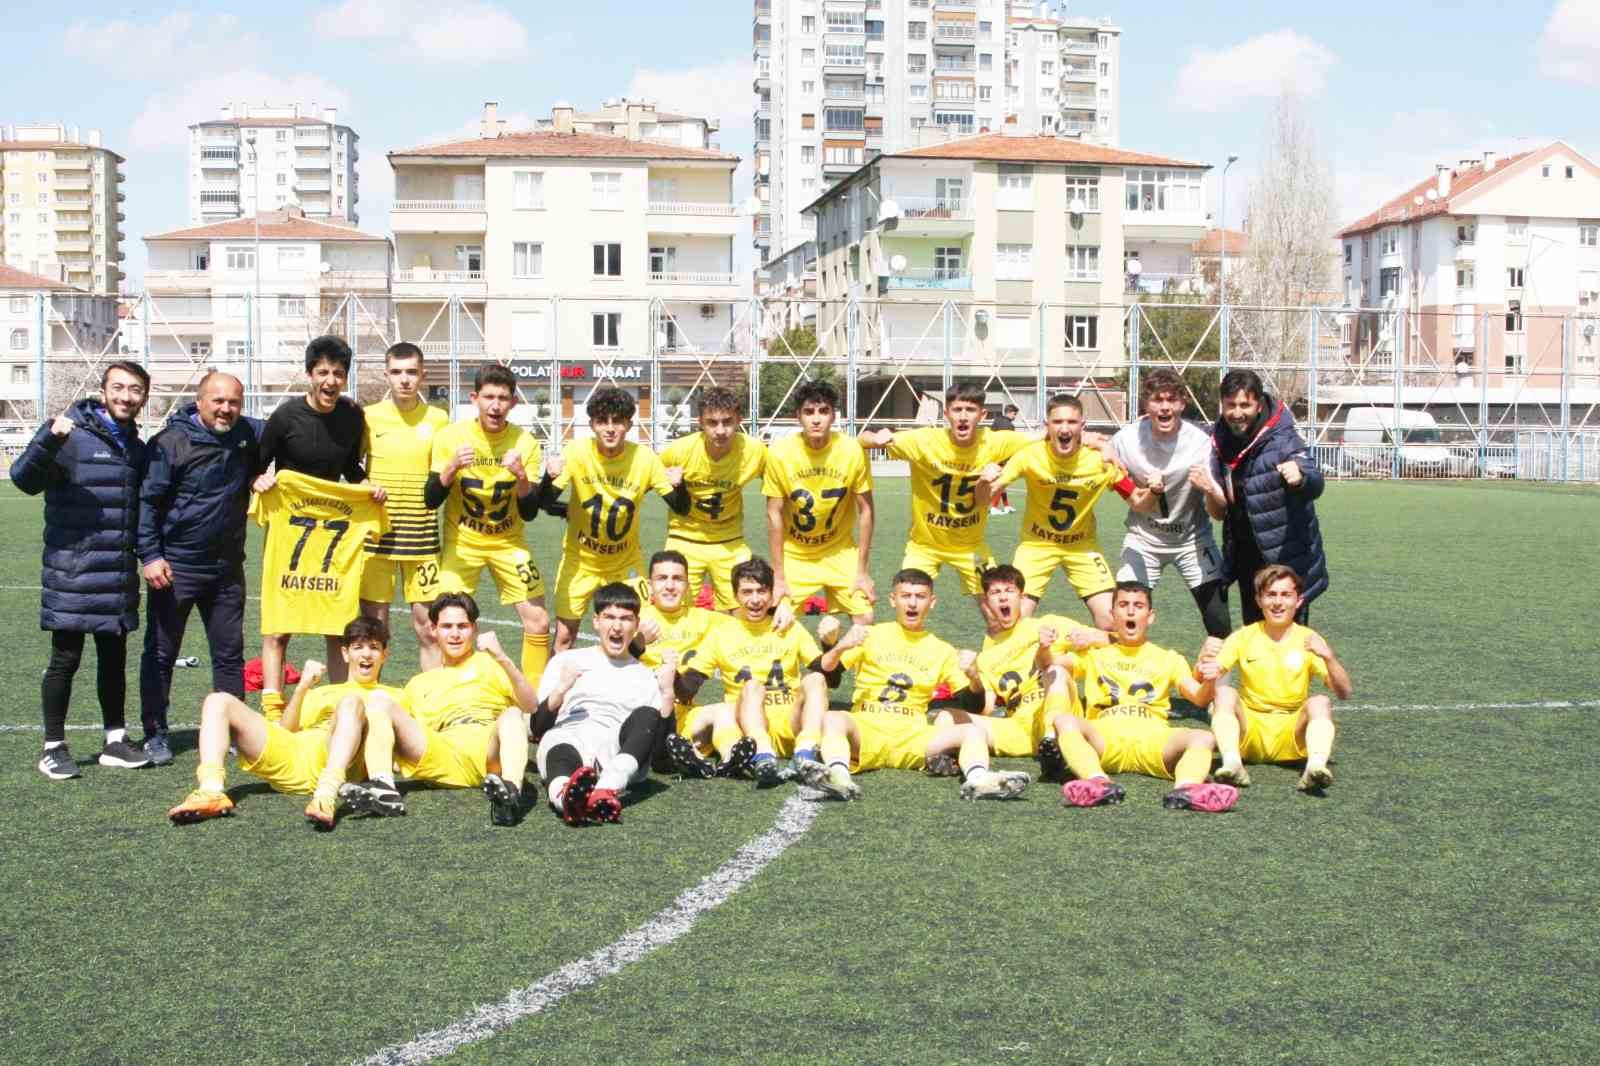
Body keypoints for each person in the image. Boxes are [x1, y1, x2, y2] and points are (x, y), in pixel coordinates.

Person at [13, 361, 153, 779]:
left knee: (113, 659)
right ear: (103, 390)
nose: (126, 396)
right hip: (72, 571)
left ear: (144, 396)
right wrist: (47, 438)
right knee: (65, 659)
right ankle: (52, 747)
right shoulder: (70, 434)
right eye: (118, 388)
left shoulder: (137, 447)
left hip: (116, 572)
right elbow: (23, 479)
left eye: (135, 390)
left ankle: (115, 741)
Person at [797, 569, 1032, 802]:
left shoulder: (942, 650)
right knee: (833, 718)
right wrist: (836, 646)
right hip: (868, 725)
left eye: (920, 597)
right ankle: (838, 778)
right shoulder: (870, 635)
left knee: (972, 731)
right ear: (893, 600)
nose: (912, 603)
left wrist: (974, 677)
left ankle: (980, 779)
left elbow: (973, 705)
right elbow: (829, 677)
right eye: (905, 595)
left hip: (913, 734)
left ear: (932, 602)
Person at [165, 616, 403, 829]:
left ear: (385, 655)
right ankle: (211, 789)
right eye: (358, 647)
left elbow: (405, 742)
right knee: (218, 701)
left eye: (374, 648)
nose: (365, 655)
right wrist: (302, 688)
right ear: (344, 653)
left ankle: (326, 796)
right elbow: (287, 730)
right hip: (293, 755)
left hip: (336, 766)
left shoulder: (395, 697)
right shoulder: (323, 691)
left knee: (351, 702)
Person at [135, 371, 262, 766]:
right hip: (177, 567)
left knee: (229, 654)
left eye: (234, 402)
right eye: (218, 401)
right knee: (160, 652)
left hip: (226, 568)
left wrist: (262, 474)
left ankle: (235, 730)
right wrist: (151, 555)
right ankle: (155, 733)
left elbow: (293, 427)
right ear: (200, 401)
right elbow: (147, 504)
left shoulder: (248, 436)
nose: (226, 409)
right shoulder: (170, 443)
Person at [253, 335, 385, 714]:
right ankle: (273, 710)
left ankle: (340, 705)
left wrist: (365, 487)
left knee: (336, 620)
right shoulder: (285, 418)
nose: (330, 381)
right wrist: (258, 481)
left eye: (338, 374)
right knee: (279, 624)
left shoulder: (351, 417)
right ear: (310, 374)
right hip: (290, 530)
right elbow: (258, 465)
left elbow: (350, 468)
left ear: (346, 378)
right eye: (323, 372)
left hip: (333, 533)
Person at [342, 592, 539, 825]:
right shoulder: (419, 683)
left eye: (462, 626)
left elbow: (530, 705)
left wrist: (503, 658)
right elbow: (386, 730)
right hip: (441, 753)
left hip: (487, 752)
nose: (454, 634)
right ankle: (384, 789)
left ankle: (510, 795)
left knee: (513, 714)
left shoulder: (491, 663)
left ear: (474, 629)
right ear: (433, 630)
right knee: (378, 700)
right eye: (446, 626)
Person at [1044, 581, 1238, 812]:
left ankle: (1187, 789)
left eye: (1138, 605)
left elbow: (1199, 698)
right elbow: (1051, 664)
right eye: (1123, 605)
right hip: (1106, 735)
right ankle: (1097, 781)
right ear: (1112, 614)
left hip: (1153, 737)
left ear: (1150, 615)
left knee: (1203, 737)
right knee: (1064, 721)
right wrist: (1043, 648)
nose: (1130, 611)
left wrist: (1210, 676)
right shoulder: (1094, 655)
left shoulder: (1169, 658)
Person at [425, 364, 550, 692]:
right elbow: (430, 498)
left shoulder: (525, 443)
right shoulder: (451, 438)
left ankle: (532, 699)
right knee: (446, 621)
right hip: (462, 543)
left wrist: (522, 477)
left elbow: (530, 512)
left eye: (503, 398)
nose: (495, 405)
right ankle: (449, 694)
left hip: (508, 543)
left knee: (538, 620)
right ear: (474, 398)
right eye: (489, 397)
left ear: (513, 403)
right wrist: (451, 467)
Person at [858, 383, 1030, 616]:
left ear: (982, 415)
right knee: (908, 610)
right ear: (946, 413)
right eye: (957, 409)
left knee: (998, 612)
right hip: (924, 547)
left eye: (970, 410)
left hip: (972, 548)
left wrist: (1094, 440)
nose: (962, 416)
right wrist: (876, 437)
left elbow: (1047, 438)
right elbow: (862, 438)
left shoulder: (996, 441)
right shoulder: (924, 440)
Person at [541, 386, 689, 653]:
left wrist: (680, 485)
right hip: (580, 561)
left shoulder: (644, 458)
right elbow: (542, 501)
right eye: (602, 421)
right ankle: (550, 695)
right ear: (592, 425)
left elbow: (680, 507)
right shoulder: (576, 451)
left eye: (617, 421)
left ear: (629, 424)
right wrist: (548, 478)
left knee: (647, 629)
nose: (610, 428)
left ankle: (629, 690)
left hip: (626, 563)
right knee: (564, 636)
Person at [982, 393, 1141, 629]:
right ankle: (1012, 665)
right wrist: (984, 481)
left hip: (1082, 546)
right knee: (1013, 620)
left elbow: (1136, 498)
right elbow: (989, 492)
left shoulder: (1101, 460)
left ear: (1082, 426)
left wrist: (1158, 488)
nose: (1064, 428)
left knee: (1110, 619)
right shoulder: (1029, 454)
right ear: (1047, 426)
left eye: (1071, 422)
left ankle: (1097, 665)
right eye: (1057, 422)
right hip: (1036, 545)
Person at [672, 557, 831, 786]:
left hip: (793, 722)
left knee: (815, 678)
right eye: (747, 592)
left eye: (761, 591)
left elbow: (830, 679)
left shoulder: (788, 625)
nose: (755, 600)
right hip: (746, 726)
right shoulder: (720, 633)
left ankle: (805, 753)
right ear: (735, 596)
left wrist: (830, 644)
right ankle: (762, 756)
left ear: (772, 593)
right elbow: (688, 689)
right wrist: (673, 674)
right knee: (752, 686)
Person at [531, 581, 677, 826]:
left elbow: (661, 755)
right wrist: (561, 689)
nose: (617, 626)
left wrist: (668, 693)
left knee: (648, 715)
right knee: (558, 743)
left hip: (616, 751)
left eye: (626, 618)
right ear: (596, 621)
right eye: (609, 617)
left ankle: (606, 789)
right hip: (571, 738)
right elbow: (537, 729)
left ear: (636, 624)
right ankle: (566, 797)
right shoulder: (566, 661)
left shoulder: (645, 675)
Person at [1198, 565, 1353, 791]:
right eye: (1271, 595)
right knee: (1224, 693)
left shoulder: (1309, 639)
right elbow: (1210, 675)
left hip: (1291, 733)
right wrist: (1205, 666)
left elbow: (1344, 692)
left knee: (1320, 702)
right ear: (1259, 600)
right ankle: (1233, 763)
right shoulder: (1243, 637)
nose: (1278, 602)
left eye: (1285, 595)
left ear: (1298, 601)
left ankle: (1315, 767)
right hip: (1250, 732)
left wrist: (1329, 657)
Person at [1111, 367, 1231, 639]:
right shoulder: (1126, 439)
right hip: (1143, 540)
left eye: (1171, 400)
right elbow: (1101, 454)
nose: (1164, 408)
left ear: (1182, 403)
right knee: (1124, 621)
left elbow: (1220, 512)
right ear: (1146, 404)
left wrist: (1210, 489)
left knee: (1220, 623)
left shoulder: (1200, 443)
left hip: (1192, 541)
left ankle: (1219, 682)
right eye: (1157, 400)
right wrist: (1099, 444)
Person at [1206, 369, 1328, 625]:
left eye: (1244, 405)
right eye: (1230, 405)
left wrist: (1300, 477)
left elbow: (1315, 480)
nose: (1237, 413)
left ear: (1259, 404)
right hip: (1245, 556)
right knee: (1254, 636)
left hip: (1285, 559)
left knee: (1289, 640)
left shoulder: (1283, 438)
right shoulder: (1219, 439)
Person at [360, 342, 451, 669]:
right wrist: (363, 484)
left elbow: (442, 476)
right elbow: (351, 467)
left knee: (428, 629)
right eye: (397, 372)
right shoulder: (368, 417)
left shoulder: (439, 419)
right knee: (375, 630)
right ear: (386, 375)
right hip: (377, 537)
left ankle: (432, 701)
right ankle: (371, 704)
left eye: (412, 372)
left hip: (422, 539)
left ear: (423, 375)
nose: (404, 379)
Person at [762, 378, 875, 630]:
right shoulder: (780, 453)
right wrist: (778, 576)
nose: (816, 419)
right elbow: (774, 515)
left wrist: (862, 571)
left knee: (865, 617)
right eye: (809, 412)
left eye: (823, 411)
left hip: (839, 550)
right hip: (796, 554)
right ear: (797, 417)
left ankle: (831, 660)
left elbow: (866, 511)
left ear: (833, 416)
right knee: (775, 619)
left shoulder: (851, 450)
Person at [967, 564, 1105, 761]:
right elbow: (987, 707)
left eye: (1009, 591)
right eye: (996, 592)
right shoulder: (985, 658)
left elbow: (1115, 639)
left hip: (1060, 717)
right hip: (1020, 726)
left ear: (1022, 597)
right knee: (947, 718)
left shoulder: (1048, 624)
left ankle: (1052, 736)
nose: (1003, 597)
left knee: (1055, 670)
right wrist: (972, 679)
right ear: (987, 602)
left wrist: (1091, 638)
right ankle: (969, 769)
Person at [631, 549, 743, 779]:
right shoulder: (633, 618)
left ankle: (731, 760)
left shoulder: (705, 619)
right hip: (644, 715)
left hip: (685, 714)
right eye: (662, 578)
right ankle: (684, 754)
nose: (670, 586)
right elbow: (608, 662)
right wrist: (638, 641)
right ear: (650, 585)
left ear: (687, 585)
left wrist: (779, 606)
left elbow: (750, 620)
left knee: (725, 711)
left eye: (677, 579)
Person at [658, 386, 767, 611]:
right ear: (700, 422)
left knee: (744, 612)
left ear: (739, 420)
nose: (720, 430)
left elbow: (782, 482)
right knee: (672, 612)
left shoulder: (755, 452)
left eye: (727, 422)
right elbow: (641, 480)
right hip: (684, 539)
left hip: (730, 542)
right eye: (712, 422)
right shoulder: (678, 451)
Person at [990, 404, 1020, 514]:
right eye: (1015, 414)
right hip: (1004, 458)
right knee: (1002, 482)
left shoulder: (996, 421)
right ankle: (994, 508)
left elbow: (990, 437)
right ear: (1010, 412)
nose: (1015, 416)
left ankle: (1006, 506)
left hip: (993, 456)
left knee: (1002, 482)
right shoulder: (1010, 426)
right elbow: (1010, 443)